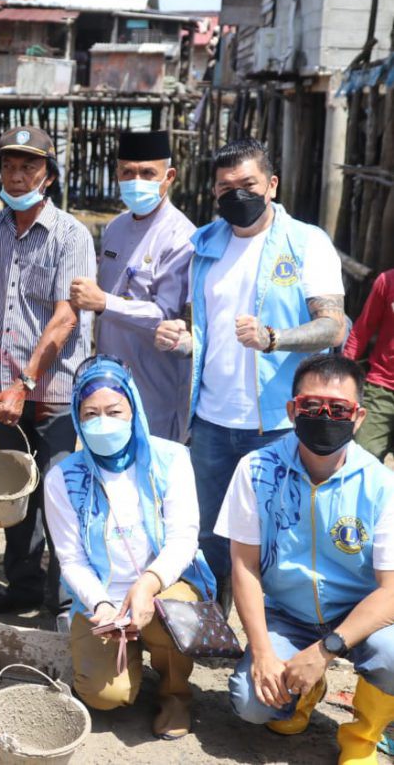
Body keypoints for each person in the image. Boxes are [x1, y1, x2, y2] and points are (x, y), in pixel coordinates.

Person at [155, 138, 346, 609]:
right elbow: (210, 331)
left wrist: (274, 338)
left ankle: (277, 631)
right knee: (206, 532)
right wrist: (183, 341)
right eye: (225, 187)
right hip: (211, 420)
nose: (236, 195)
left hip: (279, 423)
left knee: (280, 531)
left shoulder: (307, 243)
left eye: (248, 184)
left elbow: (333, 325)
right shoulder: (204, 244)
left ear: (272, 185)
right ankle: (207, 626)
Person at [219, 354, 394, 763]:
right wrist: (262, 653)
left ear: (359, 417)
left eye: (339, 409)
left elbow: (390, 592)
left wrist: (324, 651)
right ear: (292, 410)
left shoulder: (382, 486)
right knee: (251, 703)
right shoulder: (256, 469)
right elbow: (243, 566)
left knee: (393, 656)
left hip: (358, 615)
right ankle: (304, 693)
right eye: (312, 408)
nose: (324, 416)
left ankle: (361, 740)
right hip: (288, 613)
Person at [0, 125, 96, 618]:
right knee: (14, 490)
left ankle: (61, 603)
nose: (16, 178)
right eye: (9, 167)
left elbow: (66, 317)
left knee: (59, 494)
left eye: (28, 168)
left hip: (51, 391)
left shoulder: (71, 235)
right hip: (2, 387)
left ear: (50, 177)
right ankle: (20, 585)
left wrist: (24, 383)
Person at [46, 355, 214, 739]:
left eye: (113, 410)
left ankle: (175, 695)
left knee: (175, 614)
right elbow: (70, 559)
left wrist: (147, 586)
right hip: (101, 603)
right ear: (76, 416)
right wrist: (102, 605)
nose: (102, 422)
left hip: (163, 590)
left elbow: (184, 537)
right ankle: (127, 666)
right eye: (90, 413)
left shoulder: (170, 459)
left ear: (133, 407)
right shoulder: (63, 477)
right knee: (105, 697)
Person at [69, 130, 193, 442]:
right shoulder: (115, 227)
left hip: (155, 381)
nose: (136, 180)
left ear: (169, 176)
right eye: (128, 172)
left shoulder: (181, 236)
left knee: (153, 470)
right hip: (108, 376)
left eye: (148, 173)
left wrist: (103, 303)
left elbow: (166, 315)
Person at [344, 267, 394, 464]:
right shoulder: (387, 281)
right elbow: (362, 330)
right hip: (381, 387)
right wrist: (343, 374)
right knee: (361, 459)